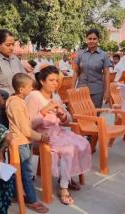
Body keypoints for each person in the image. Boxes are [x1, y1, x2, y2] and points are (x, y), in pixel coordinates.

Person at [26, 65, 92, 205]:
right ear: (42, 81)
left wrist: (62, 115)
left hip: (58, 133)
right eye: (51, 80)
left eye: (57, 80)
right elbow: (29, 125)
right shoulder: (34, 96)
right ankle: (63, 188)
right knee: (67, 150)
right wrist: (44, 111)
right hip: (41, 136)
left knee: (82, 143)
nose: (55, 83)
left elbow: (67, 119)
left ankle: (66, 176)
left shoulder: (55, 96)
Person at [5, 73, 49, 213]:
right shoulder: (15, 104)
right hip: (21, 143)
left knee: (16, 171)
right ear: (21, 89)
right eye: (30, 87)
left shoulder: (17, 100)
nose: (32, 89)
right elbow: (26, 130)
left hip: (21, 142)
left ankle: (13, 195)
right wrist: (41, 137)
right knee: (26, 173)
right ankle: (32, 200)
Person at [0, 29, 26, 127]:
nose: (11, 48)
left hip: (15, 106)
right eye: (8, 45)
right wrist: (5, 105)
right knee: (2, 138)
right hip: (0, 108)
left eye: (13, 44)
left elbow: (24, 78)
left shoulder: (15, 59)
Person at [72, 28, 112, 108]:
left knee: (95, 114)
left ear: (98, 40)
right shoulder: (80, 54)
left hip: (97, 90)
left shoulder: (104, 55)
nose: (92, 41)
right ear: (86, 39)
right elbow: (76, 72)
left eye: (94, 39)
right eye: (90, 39)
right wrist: (72, 89)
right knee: (82, 114)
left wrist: (107, 91)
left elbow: (106, 75)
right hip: (81, 89)